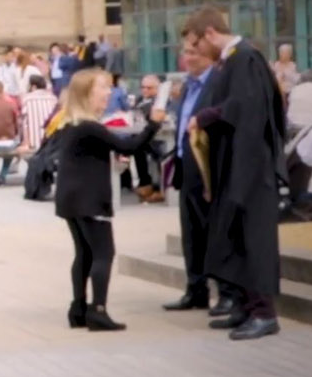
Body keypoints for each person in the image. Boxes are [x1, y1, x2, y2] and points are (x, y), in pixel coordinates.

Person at [185, 6, 286, 341]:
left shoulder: (246, 59)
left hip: (252, 168)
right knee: (236, 237)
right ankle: (244, 305)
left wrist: (209, 114)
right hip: (237, 166)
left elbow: (247, 107)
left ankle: (263, 312)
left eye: (197, 46)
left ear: (210, 33)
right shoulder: (232, 61)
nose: (196, 53)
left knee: (254, 239)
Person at [53, 69, 165, 332]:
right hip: (90, 199)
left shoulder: (71, 124)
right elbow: (130, 146)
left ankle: (78, 307)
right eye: (102, 89)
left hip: (71, 198)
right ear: (86, 95)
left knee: (84, 253)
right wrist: (154, 124)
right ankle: (98, 310)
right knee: (103, 253)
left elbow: (89, 155)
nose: (108, 94)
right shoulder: (90, 126)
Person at [164, 40, 240, 317]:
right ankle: (195, 289)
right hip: (187, 164)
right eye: (185, 52)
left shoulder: (218, 82)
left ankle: (227, 292)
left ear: (209, 55)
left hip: (209, 166)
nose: (187, 57)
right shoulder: (188, 85)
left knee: (215, 231)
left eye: (193, 52)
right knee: (191, 231)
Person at [130, 74, 166, 204]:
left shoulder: (161, 101)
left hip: (161, 138)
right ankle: (145, 184)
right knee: (136, 145)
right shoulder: (139, 100)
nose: (145, 90)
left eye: (149, 88)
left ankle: (151, 185)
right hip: (144, 136)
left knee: (138, 145)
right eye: (143, 87)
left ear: (157, 88)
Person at [19, 75, 59, 152]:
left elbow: (25, 124)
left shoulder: (27, 99)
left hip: (34, 143)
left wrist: (25, 143)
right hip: (51, 143)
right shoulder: (54, 99)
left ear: (33, 87)